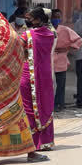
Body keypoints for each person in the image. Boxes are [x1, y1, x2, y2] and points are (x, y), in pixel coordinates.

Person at [0, 8, 49, 165]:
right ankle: (30, 153)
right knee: (18, 120)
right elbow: (23, 56)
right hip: (10, 91)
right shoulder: (12, 37)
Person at [21, 8, 57, 150]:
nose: (28, 20)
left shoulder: (27, 35)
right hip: (45, 74)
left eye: (30, 18)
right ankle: (46, 141)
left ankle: (34, 142)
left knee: (29, 107)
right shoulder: (50, 34)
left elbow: (19, 49)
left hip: (28, 75)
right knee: (46, 104)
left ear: (37, 19)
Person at [50, 9, 82, 111]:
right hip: (48, 60)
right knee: (49, 85)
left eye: (58, 17)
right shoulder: (46, 30)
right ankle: (50, 103)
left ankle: (60, 103)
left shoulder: (65, 30)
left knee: (61, 84)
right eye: (54, 17)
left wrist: (69, 47)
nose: (56, 19)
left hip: (61, 59)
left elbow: (78, 40)